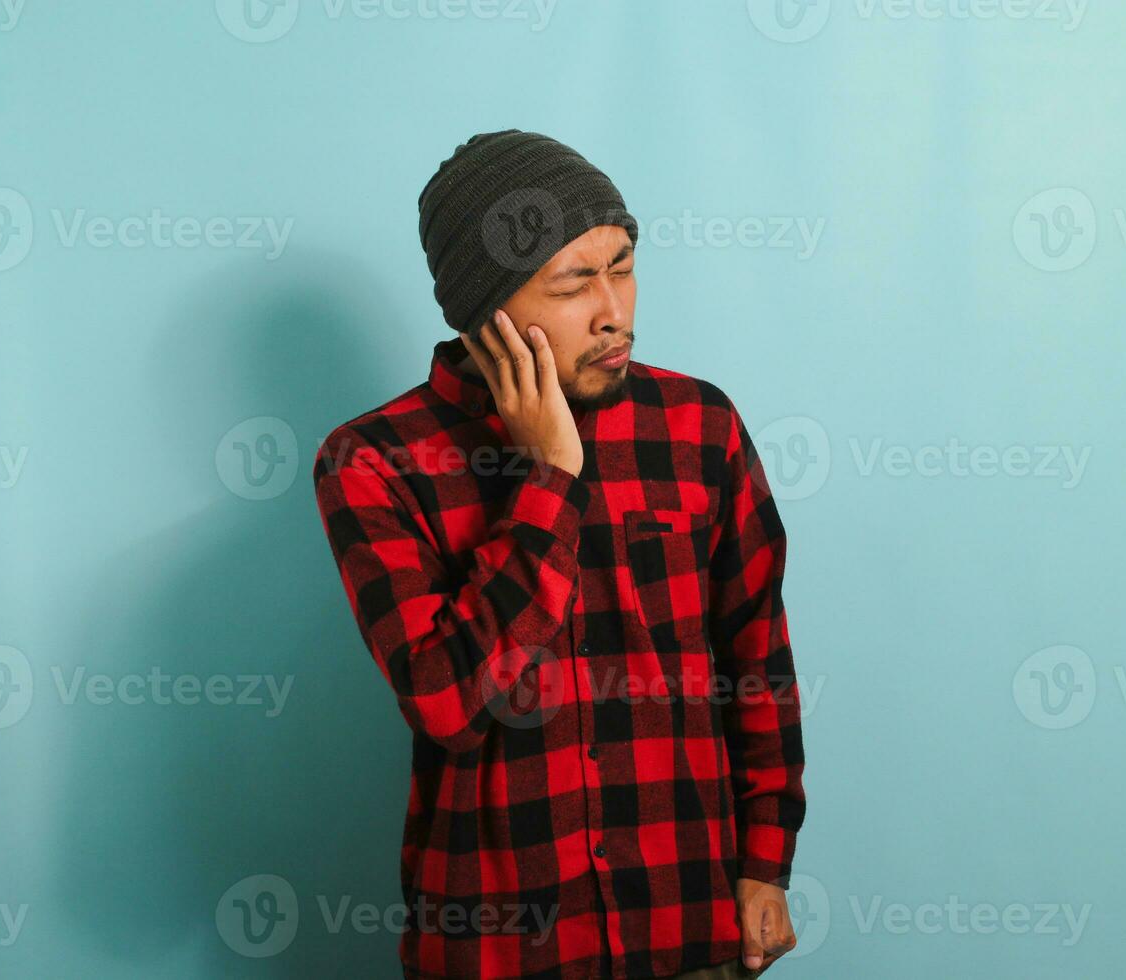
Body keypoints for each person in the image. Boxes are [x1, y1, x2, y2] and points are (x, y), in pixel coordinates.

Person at [313, 129, 806, 979]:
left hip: (685, 927)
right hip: (500, 947)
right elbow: (447, 702)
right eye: (575, 282)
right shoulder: (374, 463)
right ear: (486, 311)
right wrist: (551, 476)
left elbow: (754, 658)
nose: (616, 309)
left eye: (623, 264)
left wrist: (765, 863)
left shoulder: (699, 427)